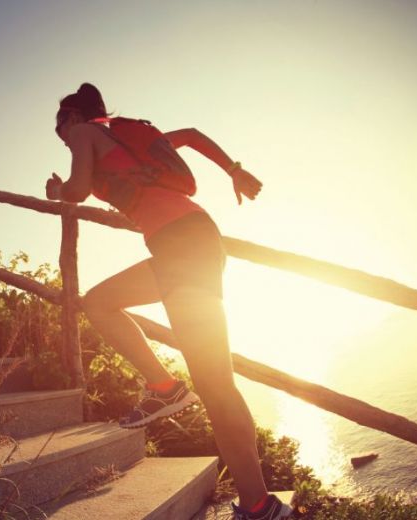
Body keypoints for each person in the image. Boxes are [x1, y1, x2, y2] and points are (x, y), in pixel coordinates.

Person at [45, 83, 292, 520]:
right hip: (194, 240)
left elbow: (79, 189)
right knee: (103, 303)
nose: (58, 130)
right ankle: (166, 390)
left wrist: (58, 190)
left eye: (60, 120)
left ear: (76, 117)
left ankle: (258, 504)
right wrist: (233, 169)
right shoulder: (130, 133)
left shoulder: (86, 135)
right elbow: (193, 135)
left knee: (215, 385)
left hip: (179, 247)